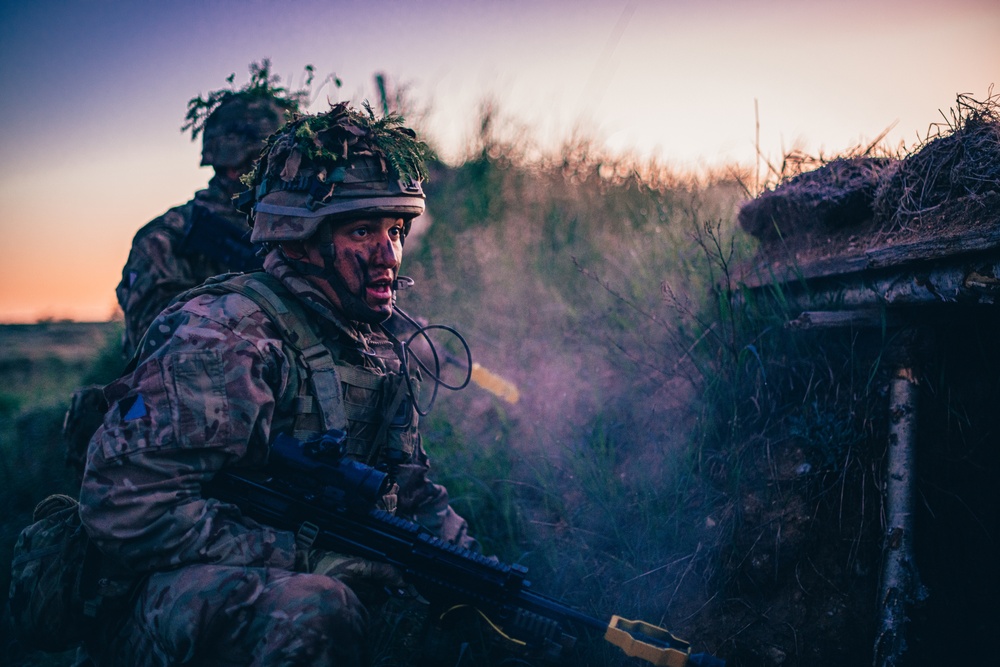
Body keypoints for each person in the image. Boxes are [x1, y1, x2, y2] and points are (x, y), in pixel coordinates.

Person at [77, 101, 478, 666]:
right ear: (297, 238)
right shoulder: (227, 339)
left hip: (281, 566)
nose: (388, 253)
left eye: (396, 229)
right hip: (159, 602)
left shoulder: (376, 341)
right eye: (363, 230)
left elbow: (409, 488)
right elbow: (124, 510)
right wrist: (306, 554)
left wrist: (473, 578)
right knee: (319, 608)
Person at [117, 60, 306, 359]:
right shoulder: (168, 239)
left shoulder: (297, 230)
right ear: (234, 164)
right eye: (270, 161)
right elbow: (157, 344)